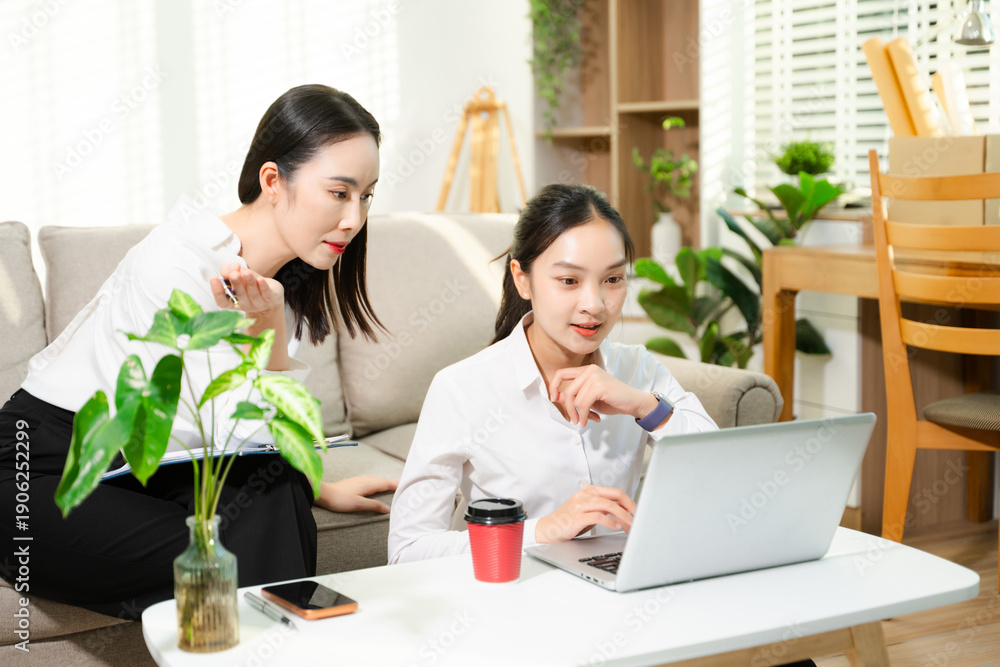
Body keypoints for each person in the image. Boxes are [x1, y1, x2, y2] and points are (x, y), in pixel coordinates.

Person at [0, 84, 396, 616]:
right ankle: (297, 636)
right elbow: (218, 432)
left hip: (142, 474)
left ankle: (277, 638)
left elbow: (257, 451)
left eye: (366, 195)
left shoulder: (287, 291)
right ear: (272, 180)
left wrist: (313, 482)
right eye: (339, 192)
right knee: (232, 545)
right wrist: (266, 330)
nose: (354, 219)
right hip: (39, 467)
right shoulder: (177, 260)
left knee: (273, 493)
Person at [387, 183, 719, 564]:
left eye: (613, 279)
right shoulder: (461, 389)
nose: (594, 305)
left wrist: (645, 407)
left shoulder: (638, 370)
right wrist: (543, 530)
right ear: (522, 279)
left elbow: (721, 472)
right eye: (569, 281)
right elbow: (407, 551)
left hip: (618, 584)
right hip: (514, 588)